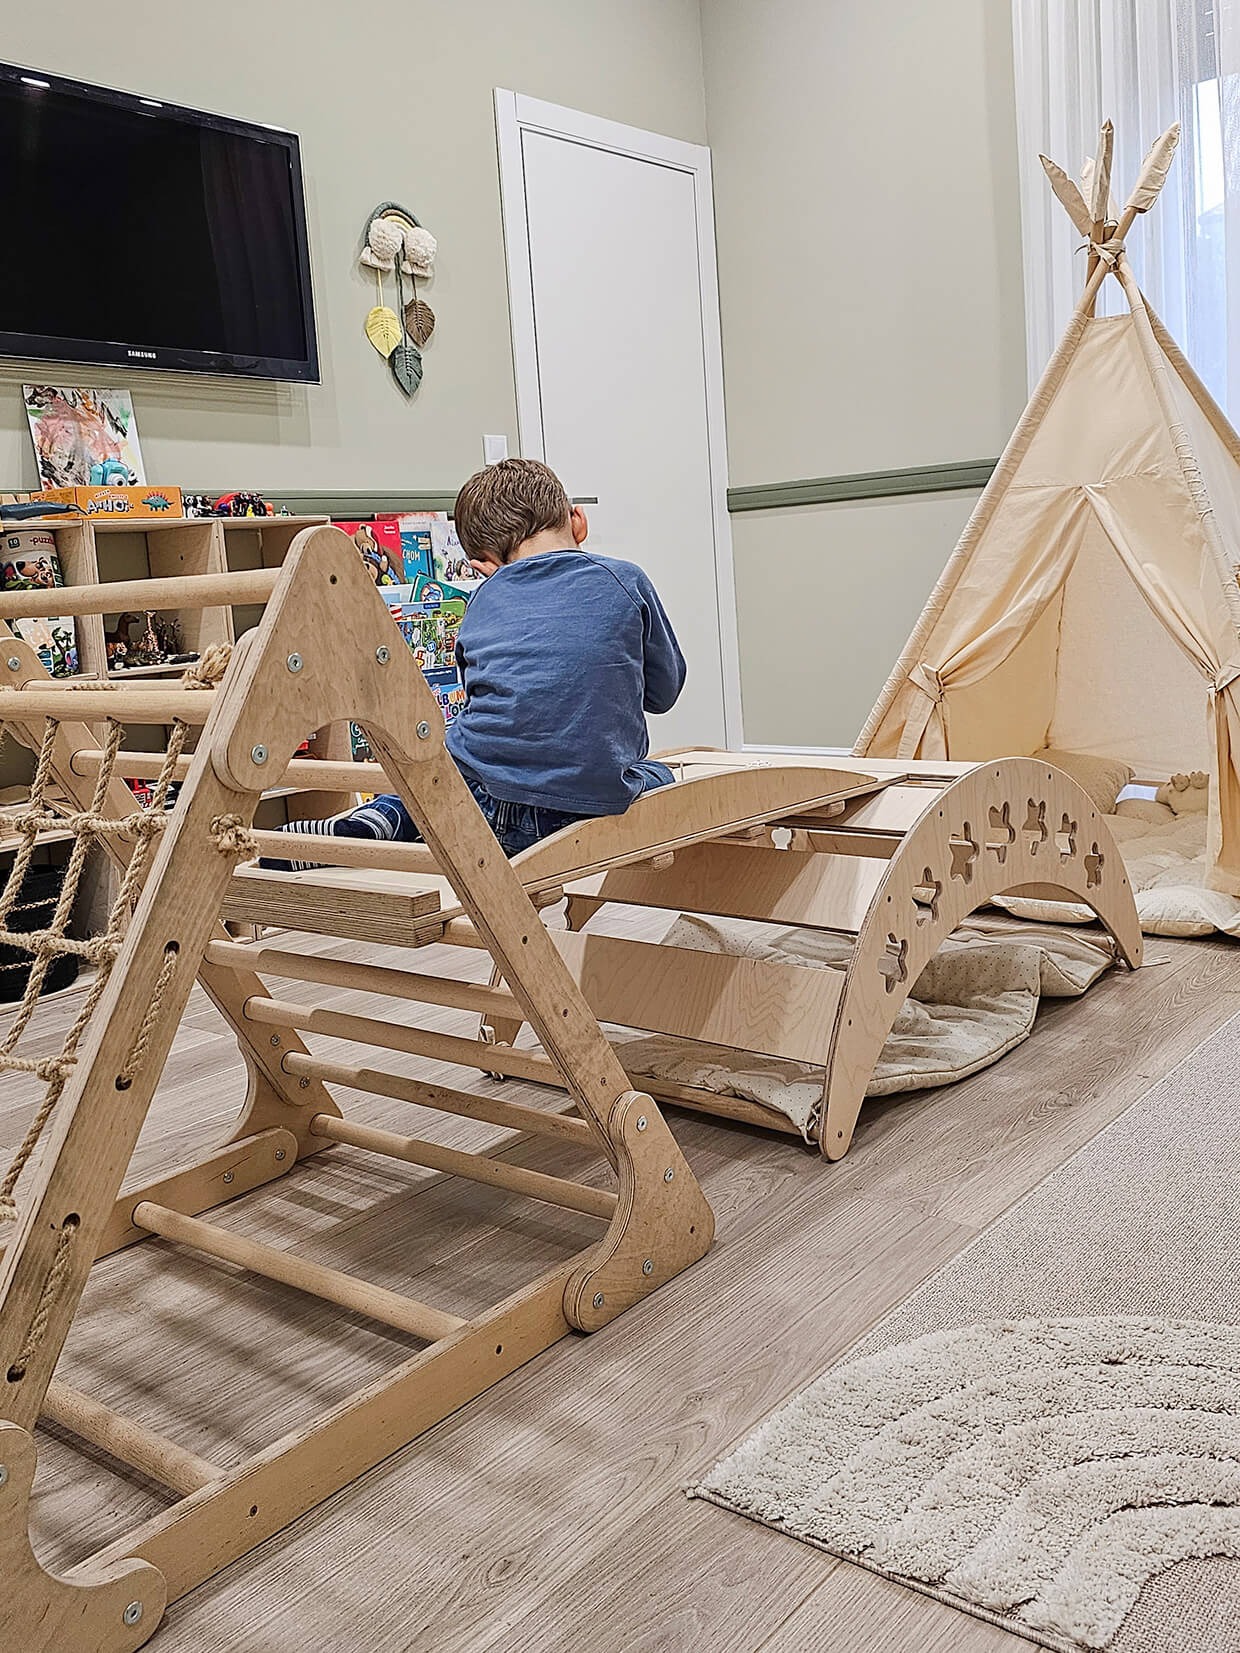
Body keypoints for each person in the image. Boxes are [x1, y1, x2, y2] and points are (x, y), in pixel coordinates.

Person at [264, 459, 685, 869]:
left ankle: (382, 817)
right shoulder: (625, 580)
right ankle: (394, 816)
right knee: (661, 775)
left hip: (487, 805)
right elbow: (664, 692)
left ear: (485, 562)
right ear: (578, 521)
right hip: (587, 802)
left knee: (443, 773)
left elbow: (483, 697)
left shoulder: (483, 599)